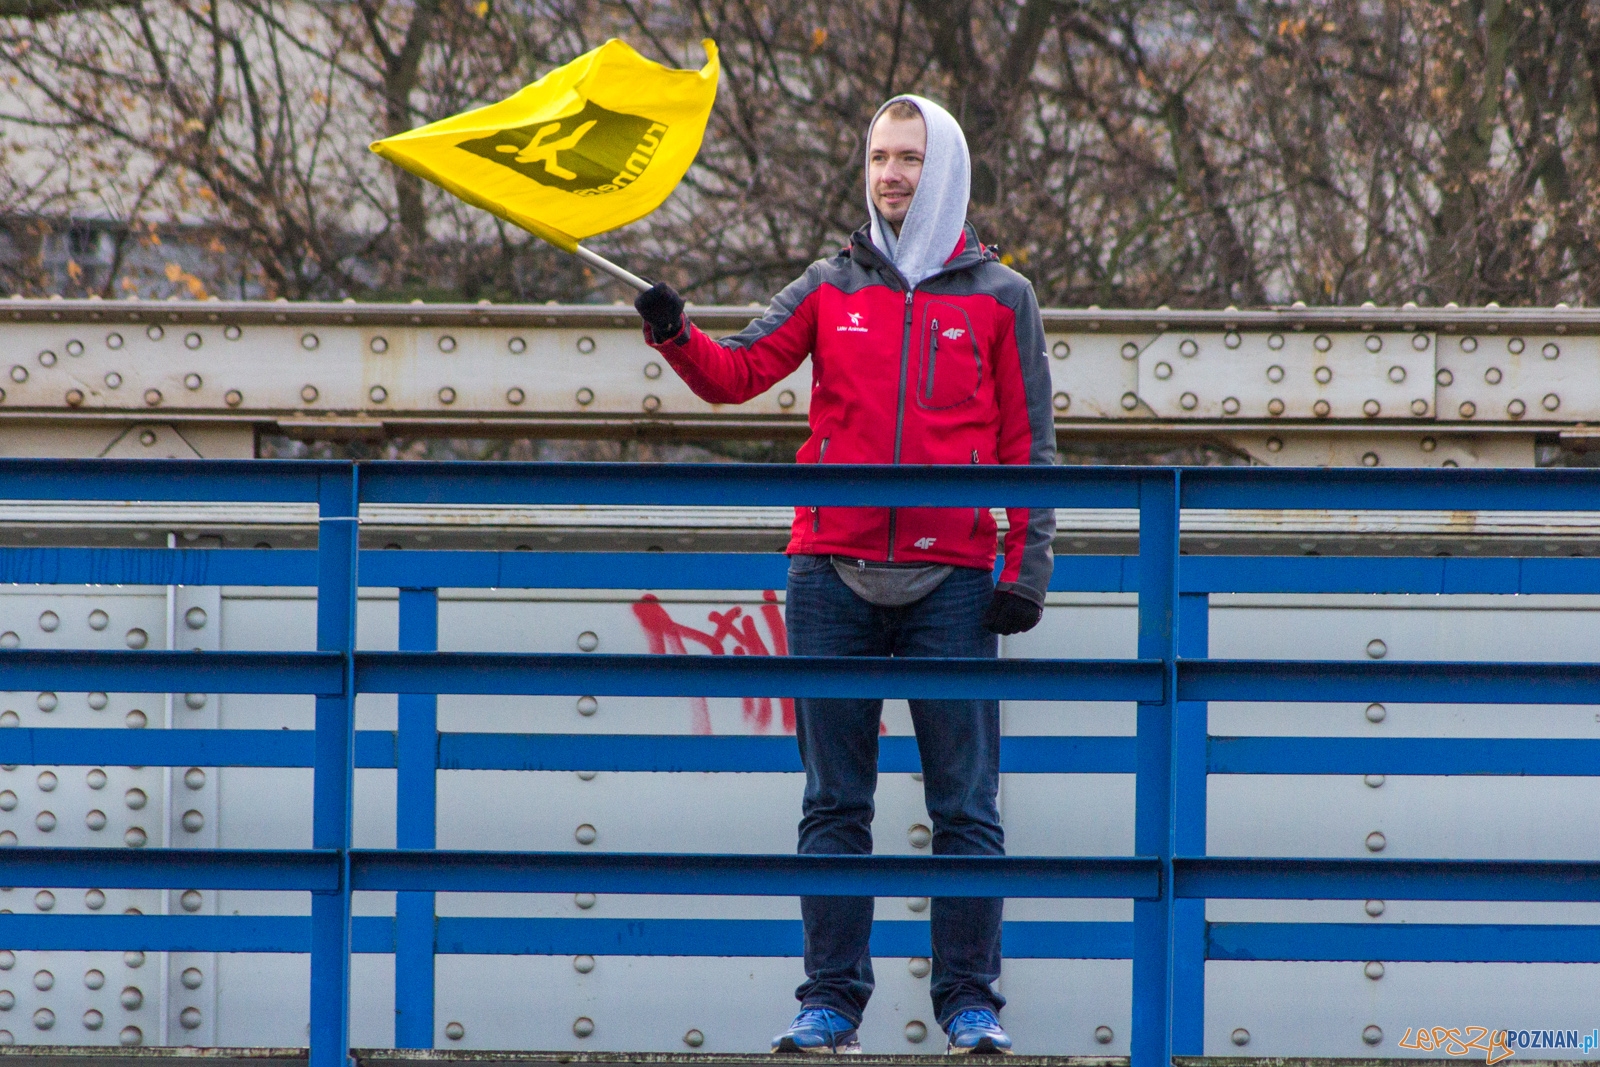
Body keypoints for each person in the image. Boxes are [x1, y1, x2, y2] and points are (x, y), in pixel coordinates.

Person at [633, 94, 1055, 1056]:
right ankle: (830, 1003)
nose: (892, 174)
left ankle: (970, 1005)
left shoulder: (1001, 296)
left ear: (943, 166)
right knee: (834, 803)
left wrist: (1024, 564)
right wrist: (673, 332)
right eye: (878, 158)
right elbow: (738, 372)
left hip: (954, 581)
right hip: (829, 574)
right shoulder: (829, 283)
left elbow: (1031, 439)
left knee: (967, 805)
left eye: (909, 157)